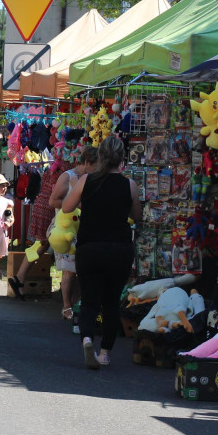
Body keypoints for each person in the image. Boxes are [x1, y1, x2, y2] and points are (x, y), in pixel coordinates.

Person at [62, 135, 140, 370]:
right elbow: (137, 216)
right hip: (120, 249)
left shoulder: (86, 180)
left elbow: (66, 207)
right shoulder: (130, 185)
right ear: (122, 158)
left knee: (90, 299)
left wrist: (87, 203)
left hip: (90, 247)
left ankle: (87, 339)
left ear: (100, 156)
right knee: (111, 302)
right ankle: (105, 353)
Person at [50, 147, 98, 331]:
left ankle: (78, 304)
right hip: (67, 229)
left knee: (83, 270)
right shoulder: (67, 176)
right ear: (86, 162)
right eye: (94, 166)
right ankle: (66, 306)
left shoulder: (94, 178)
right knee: (69, 270)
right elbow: (53, 201)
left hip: (86, 229)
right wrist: (74, 204)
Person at [8, 161, 57, 300]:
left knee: (42, 244)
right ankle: (19, 277)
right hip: (50, 206)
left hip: (43, 203)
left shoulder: (57, 166)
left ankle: (19, 278)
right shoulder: (67, 168)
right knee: (43, 243)